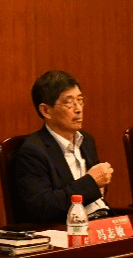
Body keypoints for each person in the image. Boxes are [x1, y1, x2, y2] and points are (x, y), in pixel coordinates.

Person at [11, 70, 114, 224]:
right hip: (67, 228)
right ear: (46, 110)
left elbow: (97, 190)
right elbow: (43, 207)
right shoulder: (33, 151)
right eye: (69, 102)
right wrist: (91, 183)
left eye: (80, 100)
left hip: (101, 220)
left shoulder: (86, 140)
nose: (78, 109)